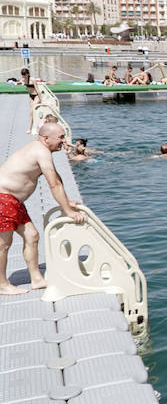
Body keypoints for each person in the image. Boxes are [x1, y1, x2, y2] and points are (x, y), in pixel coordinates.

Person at [0, 124, 86, 295]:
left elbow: (56, 178)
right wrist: (68, 211)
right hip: (3, 198)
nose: (64, 141)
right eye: (61, 137)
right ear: (46, 138)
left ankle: (37, 279)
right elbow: (53, 184)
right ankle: (2, 284)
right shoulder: (41, 152)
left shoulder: (41, 150)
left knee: (32, 236)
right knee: (3, 244)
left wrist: (67, 202)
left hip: (13, 200)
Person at [21, 68, 41, 135]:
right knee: (32, 113)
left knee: (31, 112)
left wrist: (41, 100)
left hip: (36, 96)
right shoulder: (23, 79)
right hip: (30, 96)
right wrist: (21, 83)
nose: (24, 76)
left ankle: (30, 128)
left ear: (28, 74)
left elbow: (38, 90)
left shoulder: (33, 79)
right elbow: (21, 82)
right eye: (23, 75)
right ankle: (33, 127)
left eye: (25, 75)